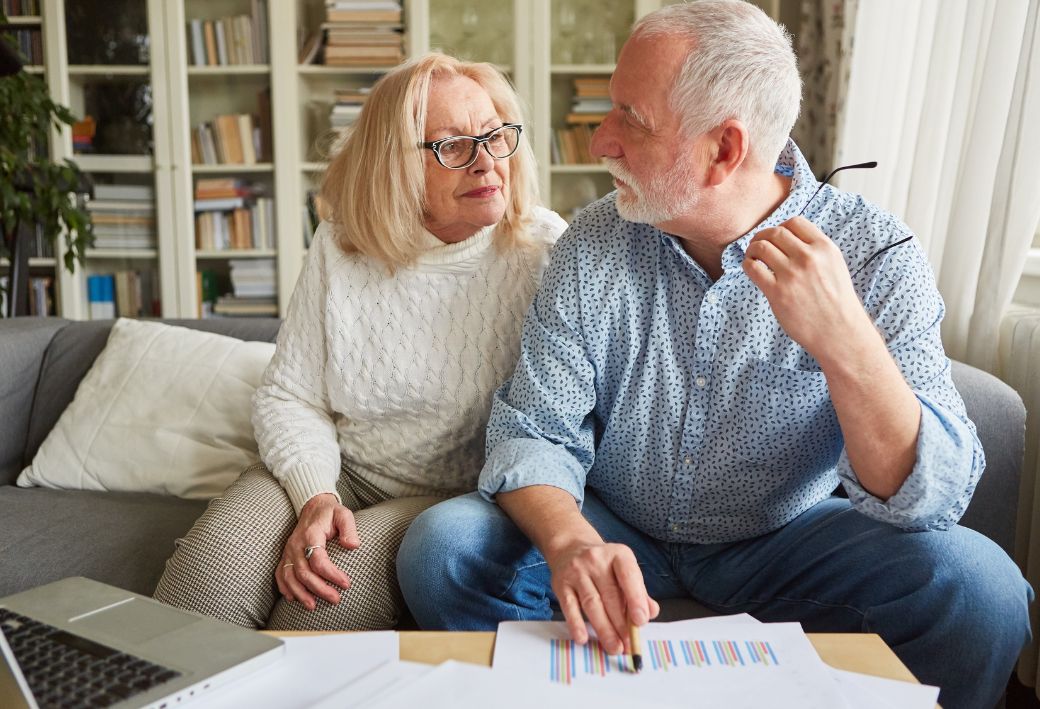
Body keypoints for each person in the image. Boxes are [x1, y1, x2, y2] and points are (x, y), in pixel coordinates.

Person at [395, 3, 1032, 708]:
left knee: (983, 592)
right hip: (617, 526)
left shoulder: (878, 253)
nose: (599, 140)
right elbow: (534, 430)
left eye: (630, 120)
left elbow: (931, 498)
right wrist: (572, 542)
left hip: (790, 535)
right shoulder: (591, 243)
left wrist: (847, 343)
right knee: (443, 549)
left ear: (724, 149)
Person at [153, 52, 566, 632]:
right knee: (208, 575)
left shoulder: (545, 251)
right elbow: (291, 396)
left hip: (454, 499)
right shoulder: (341, 242)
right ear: (395, 166)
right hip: (343, 469)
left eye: (495, 136)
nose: (486, 162)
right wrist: (315, 496)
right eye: (452, 146)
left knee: (318, 603)